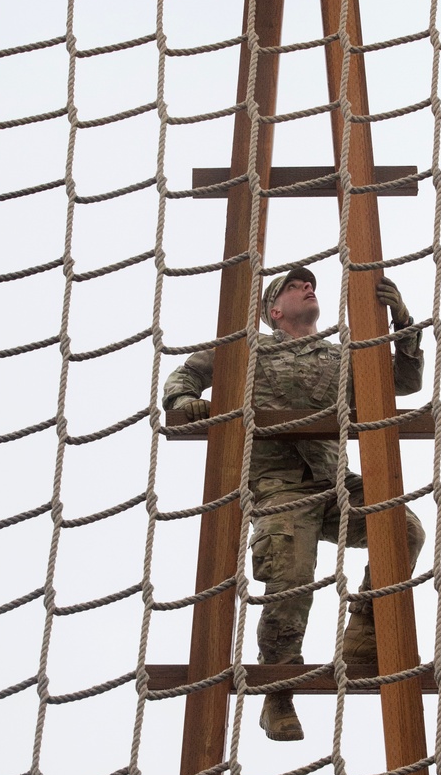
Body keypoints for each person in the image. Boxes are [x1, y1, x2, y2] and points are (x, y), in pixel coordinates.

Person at [163, 266, 426, 741]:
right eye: (295, 285)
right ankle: (279, 690)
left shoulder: (339, 357)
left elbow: (401, 385)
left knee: (403, 528)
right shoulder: (249, 350)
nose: (309, 286)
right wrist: (186, 403)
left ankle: (363, 636)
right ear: (274, 310)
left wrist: (402, 324)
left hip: (333, 483)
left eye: (311, 284)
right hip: (280, 485)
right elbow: (187, 374)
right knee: (292, 574)